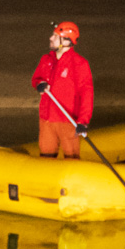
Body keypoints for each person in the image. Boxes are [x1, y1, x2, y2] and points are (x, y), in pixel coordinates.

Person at [31, 19, 93, 158]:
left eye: (54, 36)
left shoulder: (79, 64)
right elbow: (36, 79)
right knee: (46, 156)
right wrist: (39, 84)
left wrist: (83, 121)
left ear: (65, 41)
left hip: (67, 120)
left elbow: (86, 94)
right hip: (46, 120)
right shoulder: (46, 60)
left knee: (71, 157)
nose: (50, 38)